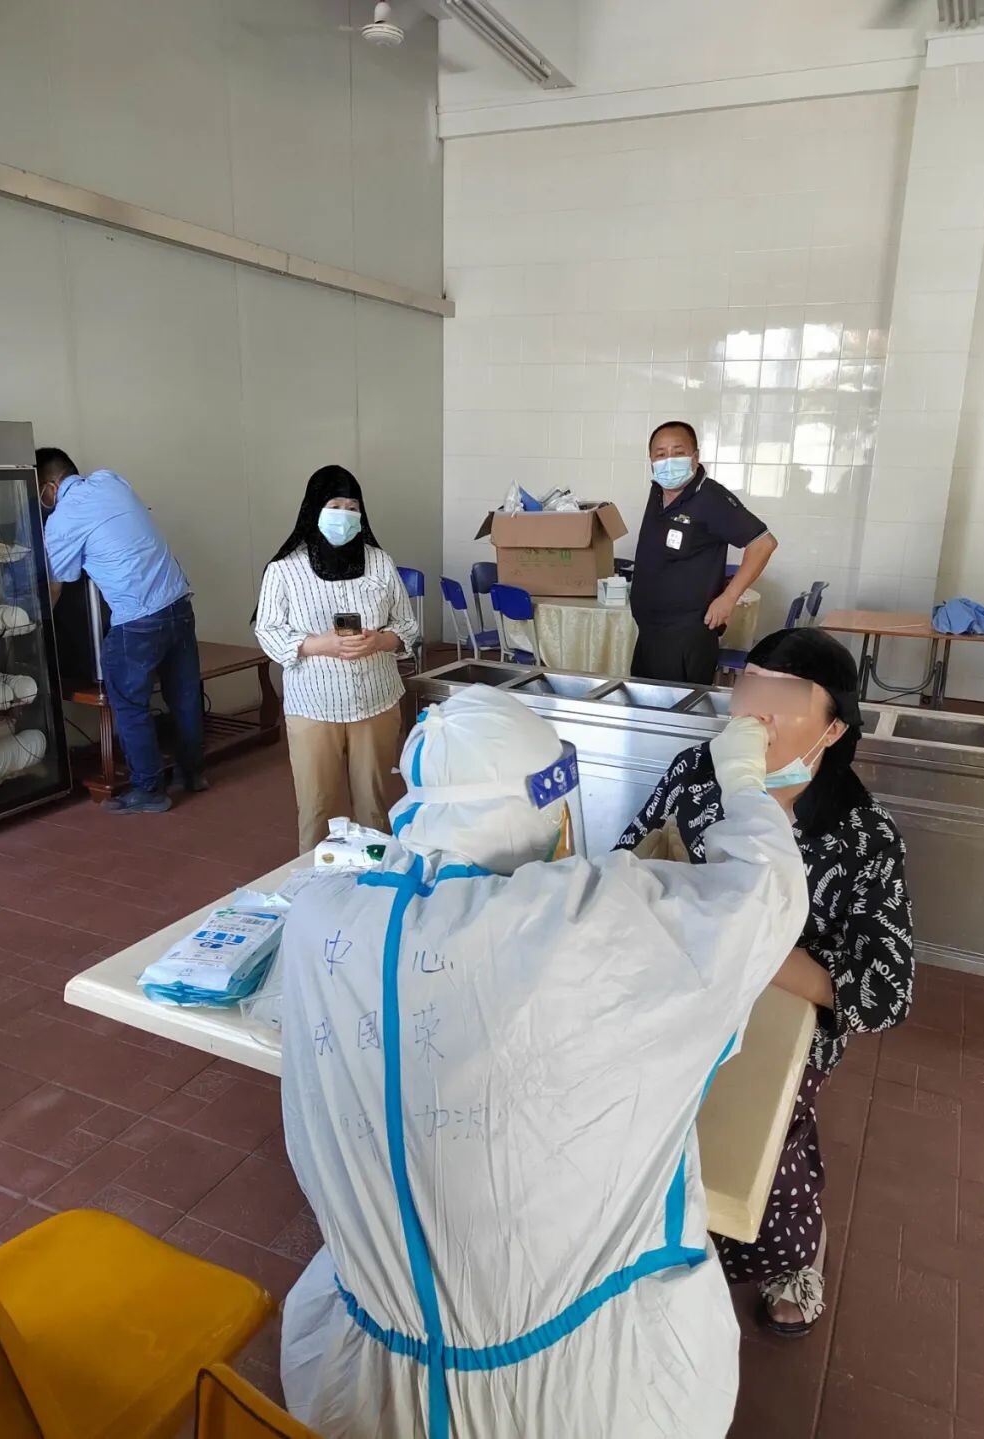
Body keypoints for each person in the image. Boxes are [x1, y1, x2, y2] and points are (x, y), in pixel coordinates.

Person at [278, 685, 809, 1438]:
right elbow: (764, 898)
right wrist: (745, 783)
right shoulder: (591, 920)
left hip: (357, 1386)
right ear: (554, 809)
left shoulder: (319, 914)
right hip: (583, 1396)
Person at [617, 626, 914, 1335]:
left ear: (833, 729)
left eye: (783, 699)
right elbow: (629, 857)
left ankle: (794, 1256)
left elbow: (887, 990)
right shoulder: (698, 772)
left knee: (761, 1147)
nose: (753, 712)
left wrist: (752, 941)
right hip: (679, 991)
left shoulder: (863, 835)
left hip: (783, 1021)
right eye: (747, 687)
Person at [254, 466, 418, 854]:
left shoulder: (379, 562)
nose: (344, 515)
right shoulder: (284, 570)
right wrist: (317, 645)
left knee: (374, 805)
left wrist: (381, 641)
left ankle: (376, 876)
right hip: (313, 706)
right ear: (314, 509)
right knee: (317, 806)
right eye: (334, 506)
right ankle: (316, 879)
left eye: (352, 507)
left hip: (376, 700)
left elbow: (406, 624)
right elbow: (268, 630)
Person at [36, 447, 204, 815]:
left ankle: (149, 789)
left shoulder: (61, 520)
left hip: (139, 619)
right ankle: (192, 773)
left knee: (129, 704)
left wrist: (34, 628)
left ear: (49, 488)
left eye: (39, 494)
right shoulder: (109, 480)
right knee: (185, 694)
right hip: (179, 602)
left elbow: (56, 585)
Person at [630, 420, 777, 685]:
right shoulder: (658, 493)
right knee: (644, 704)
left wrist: (729, 597)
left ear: (695, 457)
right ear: (651, 460)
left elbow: (763, 543)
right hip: (650, 633)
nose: (668, 460)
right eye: (660, 454)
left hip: (685, 637)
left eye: (678, 452)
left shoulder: (710, 498)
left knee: (678, 707)